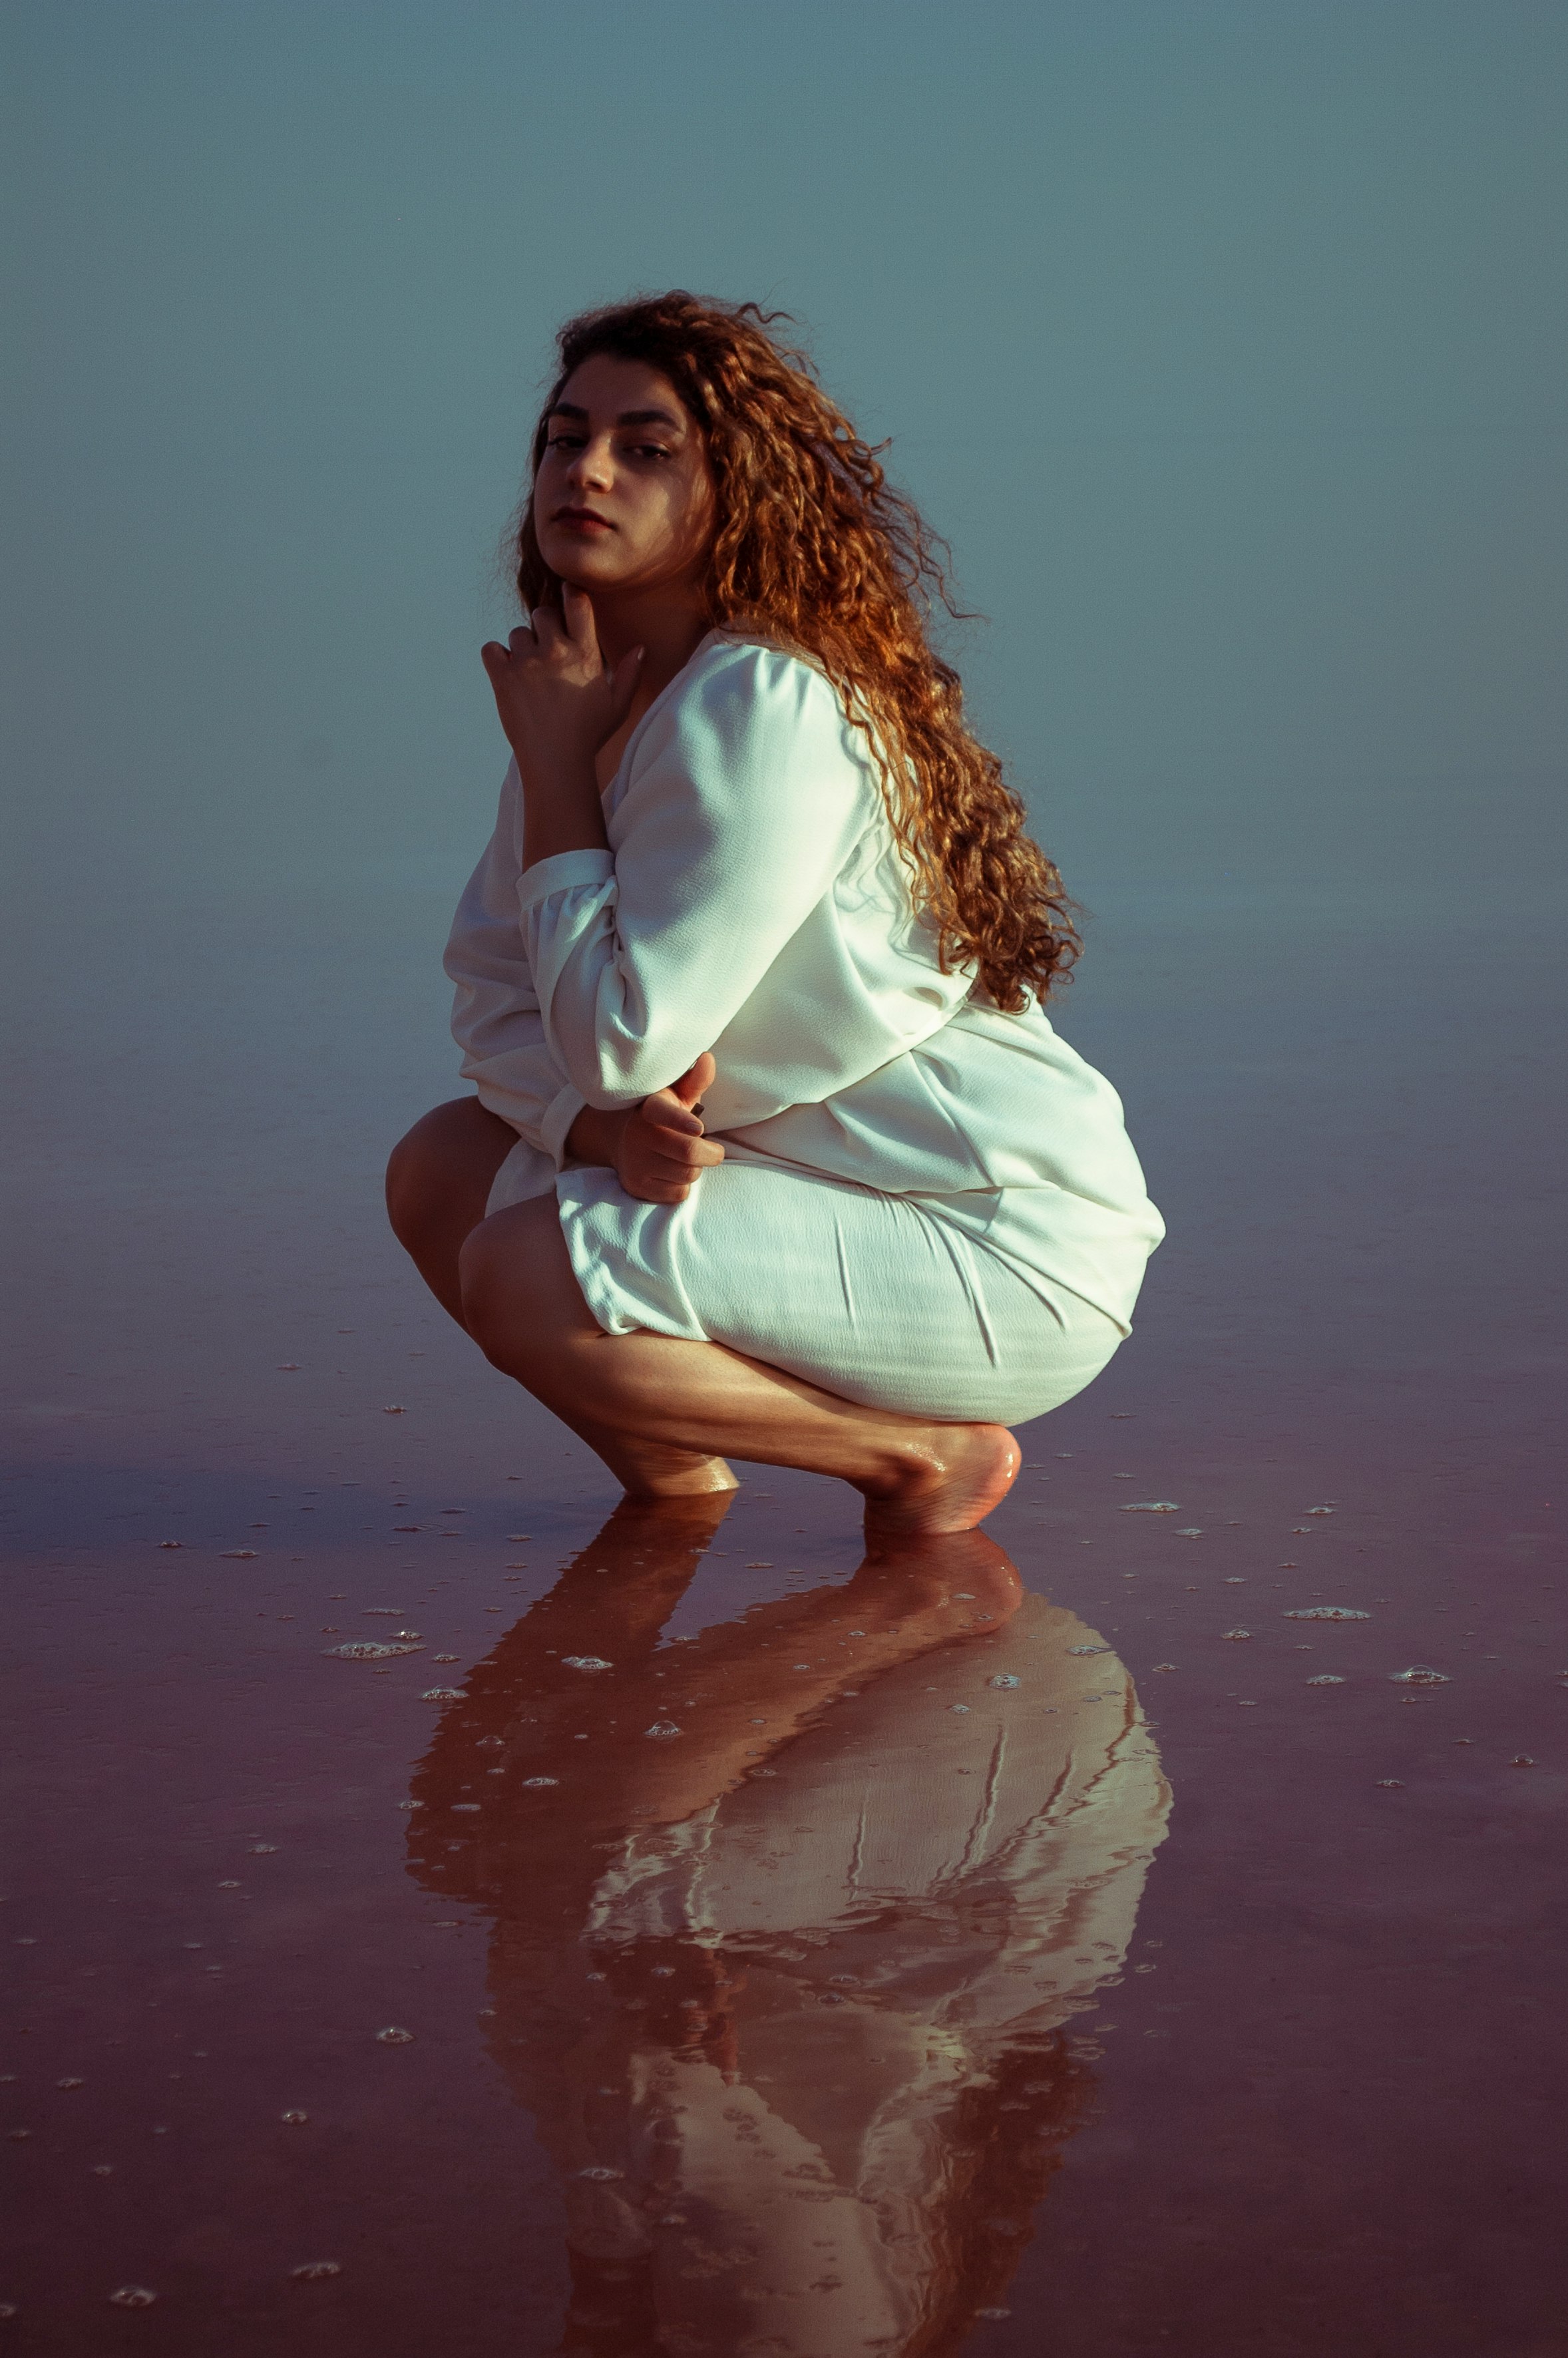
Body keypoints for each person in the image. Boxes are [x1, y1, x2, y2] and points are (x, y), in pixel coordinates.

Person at [386, 294, 1163, 1531]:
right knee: (441, 1172)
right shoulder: (599, 702)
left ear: (730, 491)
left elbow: (622, 1042)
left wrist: (551, 774)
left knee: (524, 1273)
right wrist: (597, 1141)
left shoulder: (762, 700)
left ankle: (914, 1461)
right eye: (561, 436)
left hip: (995, 1240)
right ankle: (680, 1486)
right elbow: (491, 1001)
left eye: (646, 448)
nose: (585, 470)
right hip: (814, 1188)